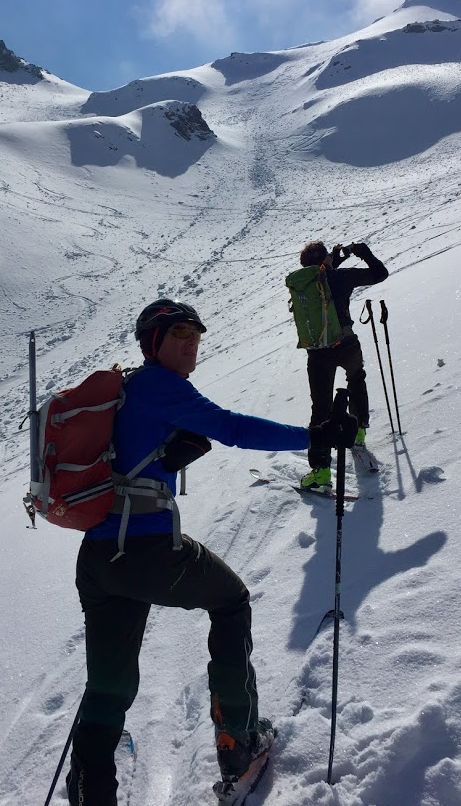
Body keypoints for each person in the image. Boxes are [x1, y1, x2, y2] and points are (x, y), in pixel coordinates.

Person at [67, 299, 357, 806]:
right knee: (230, 601)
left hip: (99, 561)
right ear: (152, 342)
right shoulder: (161, 385)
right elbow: (234, 429)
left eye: (195, 334)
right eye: (177, 333)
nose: (189, 342)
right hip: (150, 552)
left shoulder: (128, 388)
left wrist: (163, 457)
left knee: (109, 688)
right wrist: (315, 437)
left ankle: (91, 792)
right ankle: (238, 742)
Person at [294, 240, 388, 490]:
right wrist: (363, 252)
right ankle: (358, 432)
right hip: (346, 345)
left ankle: (321, 472)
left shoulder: (302, 284)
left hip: (317, 354)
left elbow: (324, 276)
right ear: (325, 261)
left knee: (321, 408)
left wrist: (333, 260)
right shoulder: (341, 278)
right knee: (356, 380)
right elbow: (380, 274)